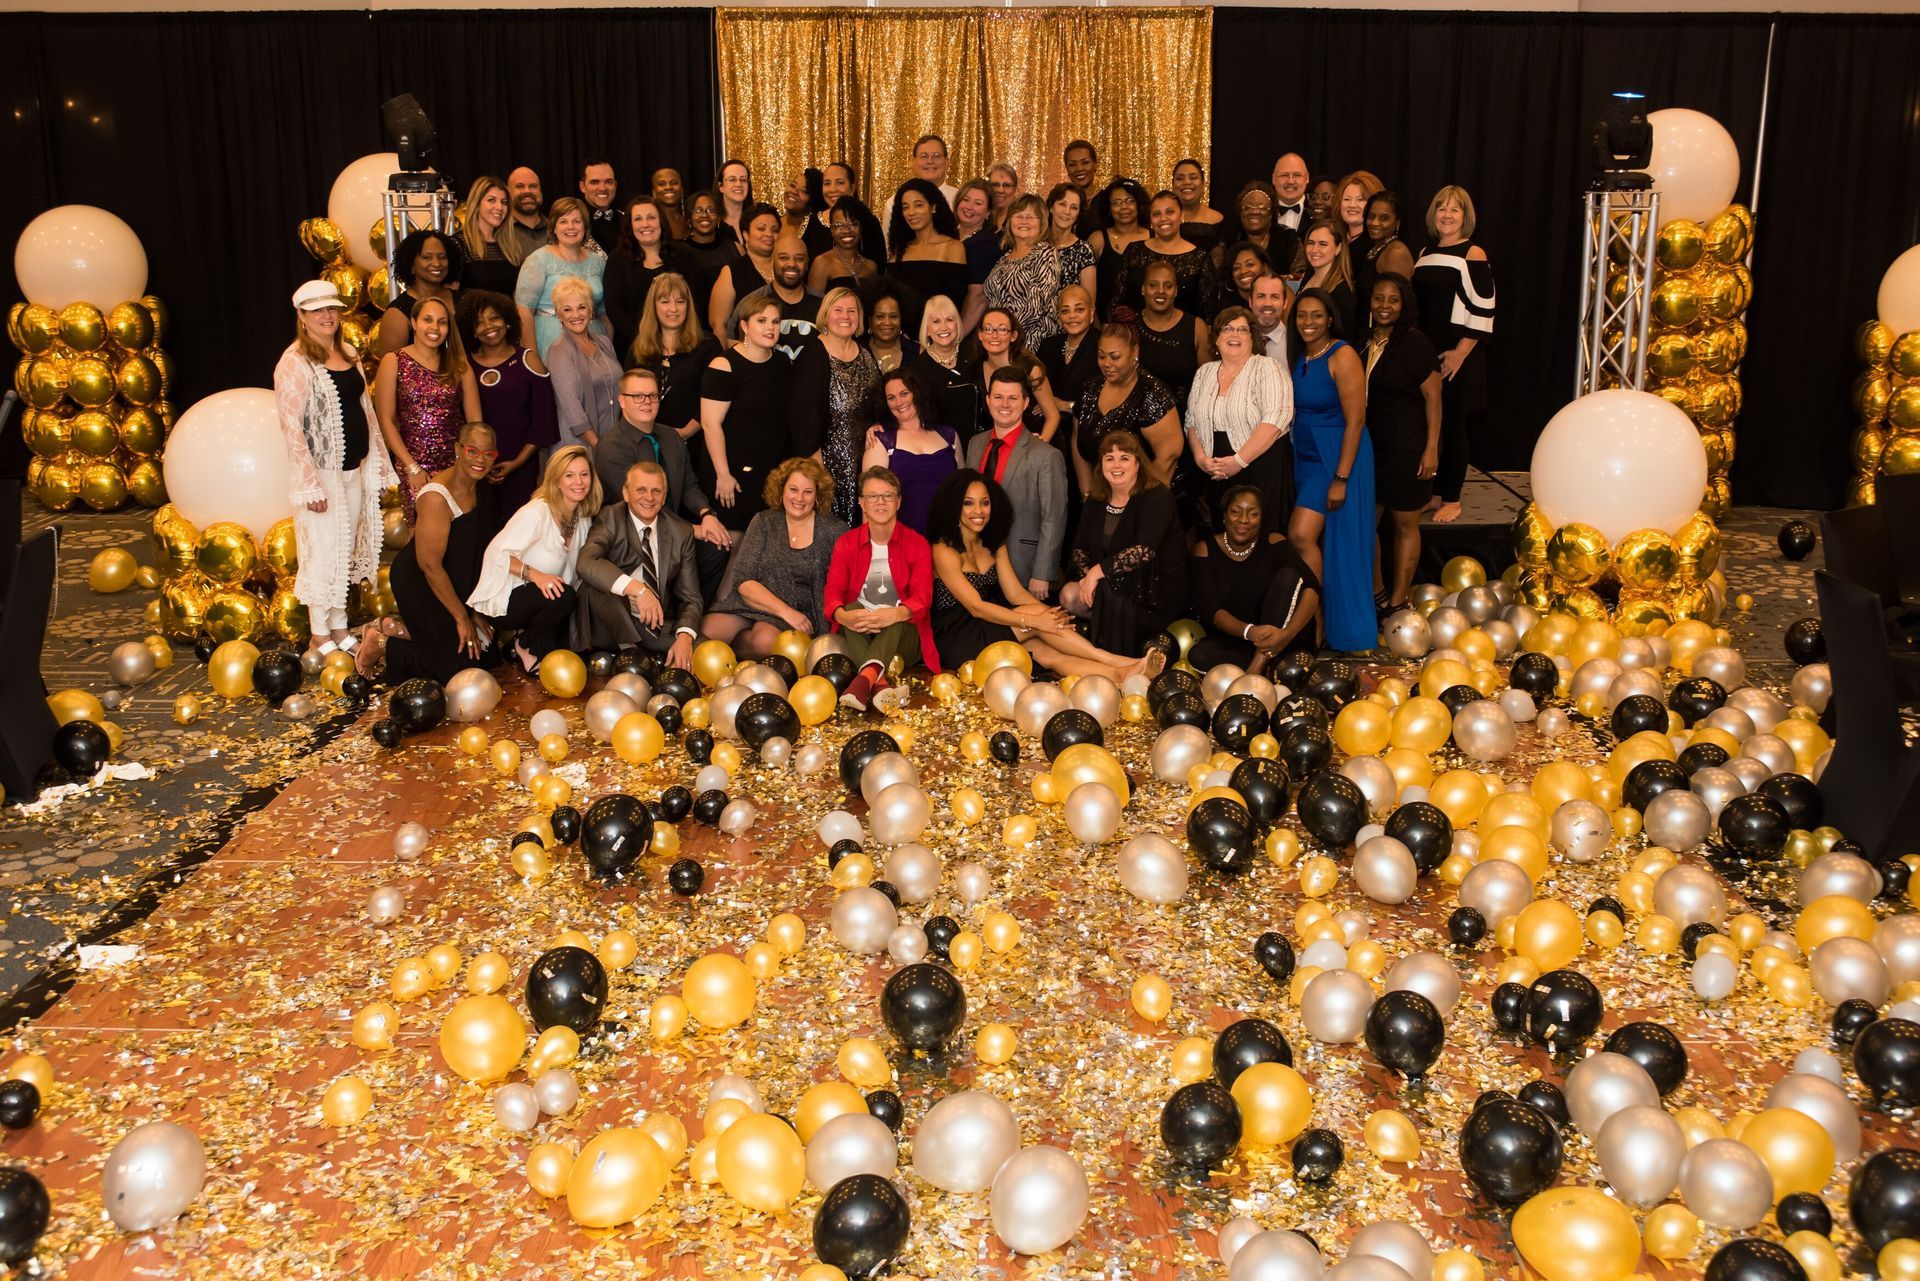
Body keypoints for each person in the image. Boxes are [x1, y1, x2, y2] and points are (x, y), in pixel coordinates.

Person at [929, 470, 1150, 681]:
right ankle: (1117, 660)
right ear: (954, 506)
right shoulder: (943, 549)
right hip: (957, 634)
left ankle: (1120, 675)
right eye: (968, 503)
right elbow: (976, 606)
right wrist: (1036, 620)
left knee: (1047, 654)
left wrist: (1050, 616)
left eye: (985, 503)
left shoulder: (993, 543)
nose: (979, 511)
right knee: (1037, 619)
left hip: (988, 622)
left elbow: (1015, 593)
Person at [274, 280, 396, 657]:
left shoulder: (348, 352)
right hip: (322, 475)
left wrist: (376, 463)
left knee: (344, 549)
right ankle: (319, 632)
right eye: (317, 311)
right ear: (302, 317)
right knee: (322, 553)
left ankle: (340, 625)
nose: (327, 316)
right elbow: (291, 425)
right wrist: (309, 484)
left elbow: (366, 412)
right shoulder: (295, 362)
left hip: (352, 470)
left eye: (331, 309)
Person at [373, 422, 503, 682]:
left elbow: (479, 550)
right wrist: (461, 616)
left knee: (486, 656)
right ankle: (381, 644)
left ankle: (402, 630)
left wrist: (474, 608)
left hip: (456, 578)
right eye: (472, 451)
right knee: (454, 670)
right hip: (421, 582)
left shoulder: (481, 486)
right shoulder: (436, 497)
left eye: (488, 454)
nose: (480, 460)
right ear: (457, 450)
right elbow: (429, 565)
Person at [595, 366, 733, 599]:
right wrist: (694, 531)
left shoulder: (671, 437)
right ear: (621, 401)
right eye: (637, 396)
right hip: (631, 538)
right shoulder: (611, 447)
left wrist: (707, 513)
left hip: (670, 528)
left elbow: (689, 483)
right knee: (701, 540)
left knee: (717, 547)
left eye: (652, 396)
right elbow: (642, 507)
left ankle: (691, 616)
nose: (646, 402)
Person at [1288, 288, 1376, 652]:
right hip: (1306, 456)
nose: (1308, 322)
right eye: (1302, 316)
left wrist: (1341, 477)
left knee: (1301, 535)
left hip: (1336, 456)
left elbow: (1356, 420)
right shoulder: (1303, 355)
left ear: (1330, 319)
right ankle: (1318, 619)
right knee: (1317, 541)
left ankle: (1320, 619)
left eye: (1316, 315)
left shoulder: (1342, 355)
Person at [469, 444, 602, 672]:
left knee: (568, 598)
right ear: (556, 480)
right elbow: (496, 554)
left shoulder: (582, 518)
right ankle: (526, 644)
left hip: (547, 599)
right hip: (506, 600)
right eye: (569, 475)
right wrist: (536, 575)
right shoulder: (537, 511)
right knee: (563, 596)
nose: (578, 482)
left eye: (584, 474)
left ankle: (532, 642)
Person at [701, 457, 847, 659]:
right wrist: (785, 611)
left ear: (818, 495)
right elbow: (744, 580)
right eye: (793, 489)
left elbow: (841, 585)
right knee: (707, 631)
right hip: (756, 603)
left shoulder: (834, 529)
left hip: (800, 612)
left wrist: (795, 615)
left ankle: (741, 668)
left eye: (808, 492)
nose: (799, 498)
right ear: (782, 490)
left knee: (765, 642)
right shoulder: (764, 521)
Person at [825, 465, 943, 707]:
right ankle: (879, 686)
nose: (880, 502)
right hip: (860, 632)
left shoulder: (917, 543)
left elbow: (923, 596)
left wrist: (895, 613)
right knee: (851, 605)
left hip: (904, 638)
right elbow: (832, 593)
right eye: (872, 496)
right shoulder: (846, 543)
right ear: (862, 503)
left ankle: (863, 681)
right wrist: (842, 617)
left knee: (897, 612)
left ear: (898, 502)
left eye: (888, 495)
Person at [1412, 184, 1495, 524]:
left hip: (1460, 356)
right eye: (1441, 208)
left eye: (1455, 209)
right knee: (1435, 426)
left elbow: (1484, 307)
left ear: (1466, 216)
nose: (1447, 214)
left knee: (1455, 426)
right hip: (1429, 355)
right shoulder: (1424, 253)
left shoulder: (1473, 253)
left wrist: (1460, 353)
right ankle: (1434, 493)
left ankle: (1452, 499)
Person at [1062, 430, 1186, 658]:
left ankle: (1116, 660)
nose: (1116, 465)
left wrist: (1098, 573)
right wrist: (1088, 574)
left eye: (1124, 458)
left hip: (1152, 591)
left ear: (1138, 464)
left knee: (1113, 589)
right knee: (1069, 594)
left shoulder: (1157, 496)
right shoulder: (1096, 499)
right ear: (1101, 465)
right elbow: (1079, 548)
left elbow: (1144, 552)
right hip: (1111, 583)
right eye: (1109, 458)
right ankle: (1103, 651)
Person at [1364, 273, 1444, 613]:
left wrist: (1431, 448)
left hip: (1408, 449)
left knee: (1403, 526)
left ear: (1404, 304)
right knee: (1366, 524)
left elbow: (1434, 398)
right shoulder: (1366, 341)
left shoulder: (1415, 343)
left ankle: (1398, 600)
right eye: (1379, 298)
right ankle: (1378, 593)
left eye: (1392, 300)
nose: (1385, 306)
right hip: (1371, 450)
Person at [575, 460, 702, 664]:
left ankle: (640, 656)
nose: (649, 498)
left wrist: (685, 636)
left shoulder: (681, 532)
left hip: (652, 623)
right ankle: (634, 656)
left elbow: (691, 598)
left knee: (705, 649)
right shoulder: (610, 517)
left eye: (656, 491)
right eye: (641, 490)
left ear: (664, 495)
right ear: (626, 493)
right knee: (595, 589)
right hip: (610, 619)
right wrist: (638, 590)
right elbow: (586, 562)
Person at [1189, 483, 1320, 674]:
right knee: (1199, 655)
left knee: (1288, 576)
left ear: (1261, 518)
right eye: (1235, 512)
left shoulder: (1275, 542)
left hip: (1284, 636)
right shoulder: (1205, 550)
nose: (1244, 520)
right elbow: (1211, 610)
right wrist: (1249, 631)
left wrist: (1286, 635)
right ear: (1224, 516)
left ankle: (1258, 666)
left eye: (1253, 513)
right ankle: (1272, 668)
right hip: (1241, 638)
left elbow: (1312, 588)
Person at [1186, 305, 1292, 534]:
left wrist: (1239, 461)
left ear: (1252, 338)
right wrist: (1201, 459)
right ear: (1216, 338)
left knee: (1261, 537)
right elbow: (1191, 421)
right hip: (1217, 473)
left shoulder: (1268, 368)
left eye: (1242, 330)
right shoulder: (1204, 372)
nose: (1234, 335)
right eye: (1227, 329)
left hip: (1261, 468)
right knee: (1222, 536)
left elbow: (1276, 420)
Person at [375, 294, 481, 523]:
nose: (434, 327)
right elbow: (386, 420)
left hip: (456, 465)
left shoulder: (459, 366)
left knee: (459, 532)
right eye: (427, 320)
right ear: (413, 323)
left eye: (442, 322)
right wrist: (412, 467)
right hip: (414, 464)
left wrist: (469, 464)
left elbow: (475, 425)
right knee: (420, 535)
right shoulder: (393, 361)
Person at [963, 366, 1068, 597]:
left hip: (1022, 564)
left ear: (1025, 403)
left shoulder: (1046, 455)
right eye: (998, 397)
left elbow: (1054, 518)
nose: (1004, 405)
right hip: (975, 563)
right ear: (988, 401)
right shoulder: (975, 444)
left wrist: (1042, 572)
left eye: (1013, 398)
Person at [701, 290, 795, 531]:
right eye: (761, 321)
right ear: (744, 325)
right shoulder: (723, 366)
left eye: (775, 322)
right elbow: (711, 424)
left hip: (773, 471)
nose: (770, 328)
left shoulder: (783, 363)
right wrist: (723, 475)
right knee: (737, 542)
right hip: (734, 472)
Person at [791, 287, 882, 526]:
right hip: (827, 464)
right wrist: (818, 473)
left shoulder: (864, 352)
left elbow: (878, 400)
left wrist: (878, 423)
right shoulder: (813, 354)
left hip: (864, 461)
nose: (846, 316)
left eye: (852, 310)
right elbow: (804, 417)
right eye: (838, 310)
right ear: (826, 315)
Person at [459, 289, 556, 513]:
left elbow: (543, 420)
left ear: (507, 320)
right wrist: (476, 462)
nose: (489, 327)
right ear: (471, 330)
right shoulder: (464, 366)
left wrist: (517, 463)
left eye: (494, 318)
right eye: (479, 322)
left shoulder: (528, 359)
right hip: (475, 469)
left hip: (521, 468)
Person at [1074, 324, 1181, 493]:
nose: (1107, 363)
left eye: (1115, 357)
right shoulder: (1091, 388)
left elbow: (1169, 456)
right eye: (1101, 356)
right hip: (1099, 492)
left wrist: (1139, 504)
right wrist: (1088, 492)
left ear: (1134, 353)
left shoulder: (1152, 394)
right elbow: (1076, 437)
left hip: (1143, 494)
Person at [862, 367, 961, 534]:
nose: (899, 402)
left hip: (948, 539)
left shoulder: (949, 435)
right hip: (902, 544)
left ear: (918, 392)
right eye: (891, 398)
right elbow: (869, 505)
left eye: (904, 393)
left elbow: (964, 491)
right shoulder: (880, 440)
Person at [631, 272, 722, 453]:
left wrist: (684, 433)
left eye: (680, 301)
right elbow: (629, 397)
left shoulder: (708, 346)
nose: (674, 308)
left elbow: (715, 399)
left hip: (696, 444)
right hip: (648, 445)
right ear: (653, 306)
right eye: (665, 302)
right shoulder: (639, 348)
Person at [515, 197, 607, 363]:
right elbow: (524, 311)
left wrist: (607, 345)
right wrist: (531, 357)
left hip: (594, 341)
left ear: (585, 227)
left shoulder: (598, 263)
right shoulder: (539, 260)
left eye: (577, 221)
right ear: (554, 228)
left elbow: (604, 312)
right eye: (563, 221)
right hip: (551, 343)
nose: (570, 227)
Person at [886, 177, 969, 341]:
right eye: (905, 207)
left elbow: (957, 302)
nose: (911, 212)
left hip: (941, 340)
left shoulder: (953, 248)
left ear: (933, 207)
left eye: (918, 205)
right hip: (903, 343)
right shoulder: (898, 252)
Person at [544, 276, 621, 451]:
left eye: (581, 307)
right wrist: (597, 446)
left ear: (590, 310)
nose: (576, 315)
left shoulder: (604, 342)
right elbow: (572, 407)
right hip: (580, 446)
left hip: (611, 439)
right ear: (558, 314)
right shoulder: (559, 350)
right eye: (567, 309)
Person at [604, 195, 686, 358]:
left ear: (661, 221)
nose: (645, 224)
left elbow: (695, 300)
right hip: (634, 347)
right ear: (630, 225)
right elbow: (614, 307)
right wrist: (642, 338)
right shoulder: (617, 259)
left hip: (680, 345)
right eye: (638, 219)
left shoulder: (684, 255)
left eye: (651, 217)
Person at [964, 307, 1058, 441]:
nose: (994, 335)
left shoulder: (1031, 369)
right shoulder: (975, 367)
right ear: (980, 335)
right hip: (1004, 445)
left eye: (1002, 329)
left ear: (1013, 335)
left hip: (1038, 441)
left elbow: (1053, 416)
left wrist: (1039, 447)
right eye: (988, 329)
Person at [1122, 190, 1218, 319]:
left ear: (1182, 216)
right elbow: (1117, 301)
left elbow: (1207, 315)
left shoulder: (1200, 259)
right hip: (1135, 334)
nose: (1163, 218)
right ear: (1150, 219)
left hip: (1184, 336)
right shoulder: (1133, 251)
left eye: (1170, 212)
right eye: (1156, 214)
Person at [984, 194, 1062, 345]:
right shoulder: (1004, 258)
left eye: (1030, 217)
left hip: (1028, 343)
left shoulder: (1045, 252)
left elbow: (1035, 307)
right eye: (1018, 215)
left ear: (1041, 223)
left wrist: (1003, 333)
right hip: (999, 341)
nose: (1023, 221)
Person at [1135, 259, 1211, 409]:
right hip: (1138, 415)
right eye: (1153, 285)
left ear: (1175, 291)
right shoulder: (1130, 326)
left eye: (1168, 286)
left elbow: (1208, 382)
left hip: (1186, 414)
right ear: (1143, 289)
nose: (1161, 291)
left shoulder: (1196, 327)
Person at [377, 229, 457, 356]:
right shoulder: (397, 313)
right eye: (427, 257)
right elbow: (389, 367)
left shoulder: (462, 298)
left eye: (442, 257)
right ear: (411, 264)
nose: (437, 263)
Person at [708, 202, 781, 338]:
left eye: (774, 230)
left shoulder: (786, 268)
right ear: (746, 235)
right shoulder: (732, 271)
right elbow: (719, 324)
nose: (768, 234)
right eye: (761, 229)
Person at [1037, 285, 1100, 440]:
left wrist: (1067, 406)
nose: (1072, 316)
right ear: (1059, 315)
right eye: (1065, 311)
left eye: (1079, 309)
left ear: (1091, 312)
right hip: (1049, 429)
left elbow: (1109, 398)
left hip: (1088, 431)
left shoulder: (1102, 345)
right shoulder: (1048, 346)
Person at [909, 295, 976, 437]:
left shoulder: (973, 356)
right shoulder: (918, 369)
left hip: (979, 445)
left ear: (957, 323)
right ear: (927, 329)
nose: (944, 327)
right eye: (936, 321)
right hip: (941, 448)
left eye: (949, 320)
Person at [1088, 178, 1151, 321]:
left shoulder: (1153, 237)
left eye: (1130, 201)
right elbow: (1086, 289)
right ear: (1109, 208)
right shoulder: (1098, 239)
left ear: (1139, 205)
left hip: (1147, 324)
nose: (1124, 207)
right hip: (1105, 326)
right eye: (1117, 203)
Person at [882, 135, 959, 251]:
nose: (930, 161)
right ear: (914, 162)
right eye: (924, 156)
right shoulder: (894, 203)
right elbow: (888, 248)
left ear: (946, 162)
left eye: (936, 156)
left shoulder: (962, 200)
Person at [455, 177, 521, 297]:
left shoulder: (510, 247)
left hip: (507, 315)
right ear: (477, 204)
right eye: (491, 200)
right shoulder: (458, 244)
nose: (499, 207)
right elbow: (449, 295)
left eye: (504, 202)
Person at [1353, 190, 1417, 314]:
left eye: (1384, 218)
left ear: (1397, 222)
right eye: (1371, 216)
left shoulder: (1396, 253)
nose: (1375, 223)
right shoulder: (1375, 247)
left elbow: (1395, 307)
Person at [807, 195, 884, 296]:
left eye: (853, 224)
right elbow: (813, 306)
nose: (847, 230)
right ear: (832, 230)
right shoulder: (822, 263)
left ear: (861, 228)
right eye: (839, 225)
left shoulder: (871, 267)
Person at [677, 190, 736, 320]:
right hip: (693, 324)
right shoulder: (680, 252)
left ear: (719, 216)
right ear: (689, 218)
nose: (705, 215)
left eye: (711, 210)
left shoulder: (734, 247)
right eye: (698, 210)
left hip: (732, 324)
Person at [1299, 220, 1360, 340]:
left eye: (1323, 244)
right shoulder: (1308, 275)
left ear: (1338, 248)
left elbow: (1344, 340)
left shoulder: (1343, 292)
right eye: (1311, 243)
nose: (1314, 250)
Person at [955, 179, 1001, 335]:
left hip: (966, 330)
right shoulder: (947, 235)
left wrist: (956, 339)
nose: (969, 207)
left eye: (978, 203)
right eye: (966, 200)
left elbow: (978, 298)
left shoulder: (987, 243)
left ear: (988, 212)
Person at [1223, 180, 1293, 276]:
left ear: (1271, 214)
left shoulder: (1287, 239)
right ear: (1240, 213)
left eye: (1262, 208)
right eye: (1248, 208)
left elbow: (1298, 277)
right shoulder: (1229, 241)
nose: (1255, 212)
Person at [1046, 184, 1098, 309]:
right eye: (1062, 204)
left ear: (1079, 214)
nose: (1067, 212)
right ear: (1051, 207)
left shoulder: (1084, 251)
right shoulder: (1035, 244)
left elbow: (1088, 303)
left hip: (1069, 324)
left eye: (1074, 207)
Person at [1171, 159, 1225, 256]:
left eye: (1193, 177)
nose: (1187, 182)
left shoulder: (1218, 219)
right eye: (1180, 178)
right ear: (1173, 185)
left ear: (1203, 183)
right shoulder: (1163, 218)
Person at [501, 166, 548, 263]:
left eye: (533, 186)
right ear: (508, 192)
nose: (527, 191)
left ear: (540, 191)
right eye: (519, 186)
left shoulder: (556, 230)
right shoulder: (499, 232)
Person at [864, 286, 917, 374]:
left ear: (901, 319)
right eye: (880, 316)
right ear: (870, 320)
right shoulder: (857, 350)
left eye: (893, 316)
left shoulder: (917, 352)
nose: (887, 322)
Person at [1250, 269, 1293, 366]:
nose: (1267, 303)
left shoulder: (1295, 344)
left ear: (1285, 303)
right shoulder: (1239, 341)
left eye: (1274, 297)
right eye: (1261, 296)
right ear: (1250, 302)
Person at [580, 158, 622, 255]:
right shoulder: (572, 223)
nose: (603, 188)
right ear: (582, 186)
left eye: (608, 182)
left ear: (615, 185)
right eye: (595, 182)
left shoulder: (628, 220)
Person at [1063, 140, 1102, 239]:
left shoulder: (1107, 200)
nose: (1079, 169)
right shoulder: (1059, 202)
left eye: (1085, 162)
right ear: (1067, 168)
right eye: (1072, 164)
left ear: (1095, 164)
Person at [1336, 170, 1386, 247]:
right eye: (1347, 199)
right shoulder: (1335, 240)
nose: (1352, 205)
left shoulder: (1378, 246)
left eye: (1360, 199)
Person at [1221, 241, 1273, 310]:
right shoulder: (1224, 303)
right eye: (1236, 268)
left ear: (1265, 267)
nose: (1243, 271)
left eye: (1250, 265)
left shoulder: (1280, 293)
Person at [1270, 153, 1312, 236]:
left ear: (1307, 178)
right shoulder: (1264, 212)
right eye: (1284, 175)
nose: (1290, 181)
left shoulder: (1317, 211)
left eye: (1297, 175)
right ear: (1273, 179)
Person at [717, 159, 755, 248]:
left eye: (743, 180)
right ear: (720, 186)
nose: (738, 184)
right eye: (732, 179)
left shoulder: (756, 222)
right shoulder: (714, 225)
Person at [651, 166, 688, 239]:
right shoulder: (651, 222)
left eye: (674, 183)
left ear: (682, 190)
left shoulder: (689, 221)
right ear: (654, 192)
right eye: (661, 184)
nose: (668, 187)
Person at [986, 163, 1022, 235]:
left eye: (1007, 185)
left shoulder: (1022, 220)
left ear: (1015, 189)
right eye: (995, 185)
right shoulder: (980, 217)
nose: (1001, 190)